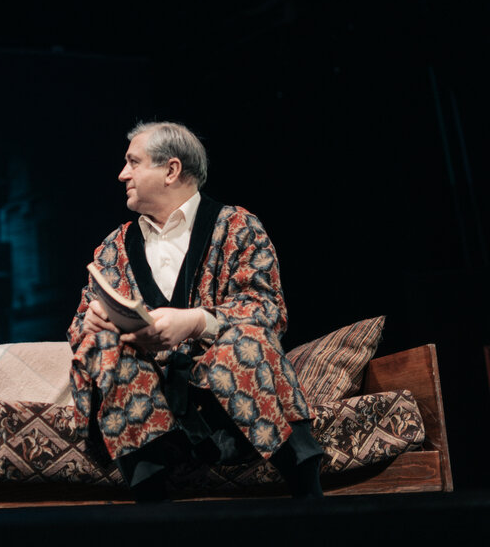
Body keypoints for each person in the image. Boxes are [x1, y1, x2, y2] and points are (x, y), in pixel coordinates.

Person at [68, 121, 323, 499]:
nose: (123, 174)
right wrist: (92, 323)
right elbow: (79, 325)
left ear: (171, 170)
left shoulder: (237, 226)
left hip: (224, 385)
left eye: (133, 162)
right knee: (99, 346)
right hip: (151, 400)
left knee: (246, 339)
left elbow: (268, 308)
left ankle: (306, 489)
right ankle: (151, 498)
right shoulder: (114, 247)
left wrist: (194, 322)